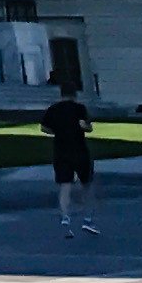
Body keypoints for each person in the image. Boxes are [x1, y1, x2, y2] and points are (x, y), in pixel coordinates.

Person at [42, 88, 99, 236]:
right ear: (75, 95)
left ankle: (65, 217)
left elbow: (44, 128)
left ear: (61, 94)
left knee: (65, 185)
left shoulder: (53, 109)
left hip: (61, 151)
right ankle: (88, 219)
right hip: (79, 150)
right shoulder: (79, 108)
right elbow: (88, 127)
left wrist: (57, 131)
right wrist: (83, 127)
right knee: (86, 185)